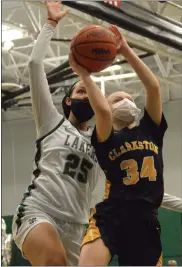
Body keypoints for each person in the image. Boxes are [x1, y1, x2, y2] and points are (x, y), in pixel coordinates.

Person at [12, 2, 103, 266]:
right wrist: (50, 24)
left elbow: (133, 183)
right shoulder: (51, 121)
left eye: (90, 91)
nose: (86, 95)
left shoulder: (102, 144)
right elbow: (34, 64)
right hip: (40, 211)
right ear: (67, 102)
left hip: (77, 226)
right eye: (80, 92)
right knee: (55, 261)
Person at [69, 25, 168, 266]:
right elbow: (101, 110)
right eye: (118, 99)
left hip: (146, 220)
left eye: (129, 99)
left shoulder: (150, 130)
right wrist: (84, 75)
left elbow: (153, 87)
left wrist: (124, 50)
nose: (125, 101)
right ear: (110, 110)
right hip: (112, 216)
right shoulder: (106, 136)